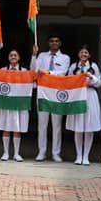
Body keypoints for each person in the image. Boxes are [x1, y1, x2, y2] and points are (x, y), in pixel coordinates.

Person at [31, 34, 70, 162]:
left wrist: (48, 72)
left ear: (60, 43)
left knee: (57, 125)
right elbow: (34, 71)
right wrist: (34, 55)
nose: (54, 43)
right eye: (52, 41)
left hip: (57, 93)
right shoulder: (42, 56)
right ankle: (41, 151)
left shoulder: (65, 58)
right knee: (42, 124)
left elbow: (63, 73)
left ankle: (55, 153)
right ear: (48, 43)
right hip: (43, 92)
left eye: (56, 41)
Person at [67, 46, 101, 166]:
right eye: (81, 52)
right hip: (77, 95)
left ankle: (86, 156)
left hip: (89, 94)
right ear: (78, 54)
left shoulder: (94, 66)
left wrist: (91, 76)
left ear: (89, 55)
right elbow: (68, 81)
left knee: (89, 126)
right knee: (78, 127)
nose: (84, 54)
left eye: (86, 52)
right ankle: (78, 155)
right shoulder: (73, 66)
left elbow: (99, 83)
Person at [0, 49, 28, 161]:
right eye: (11, 55)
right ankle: (6, 153)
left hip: (19, 104)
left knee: (17, 129)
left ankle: (17, 154)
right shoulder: (2, 70)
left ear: (19, 58)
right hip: (6, 103)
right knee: (6, 128)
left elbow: (30, 86)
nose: (13, 56)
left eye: (15, 55)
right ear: (8, 58)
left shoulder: (24, 71)